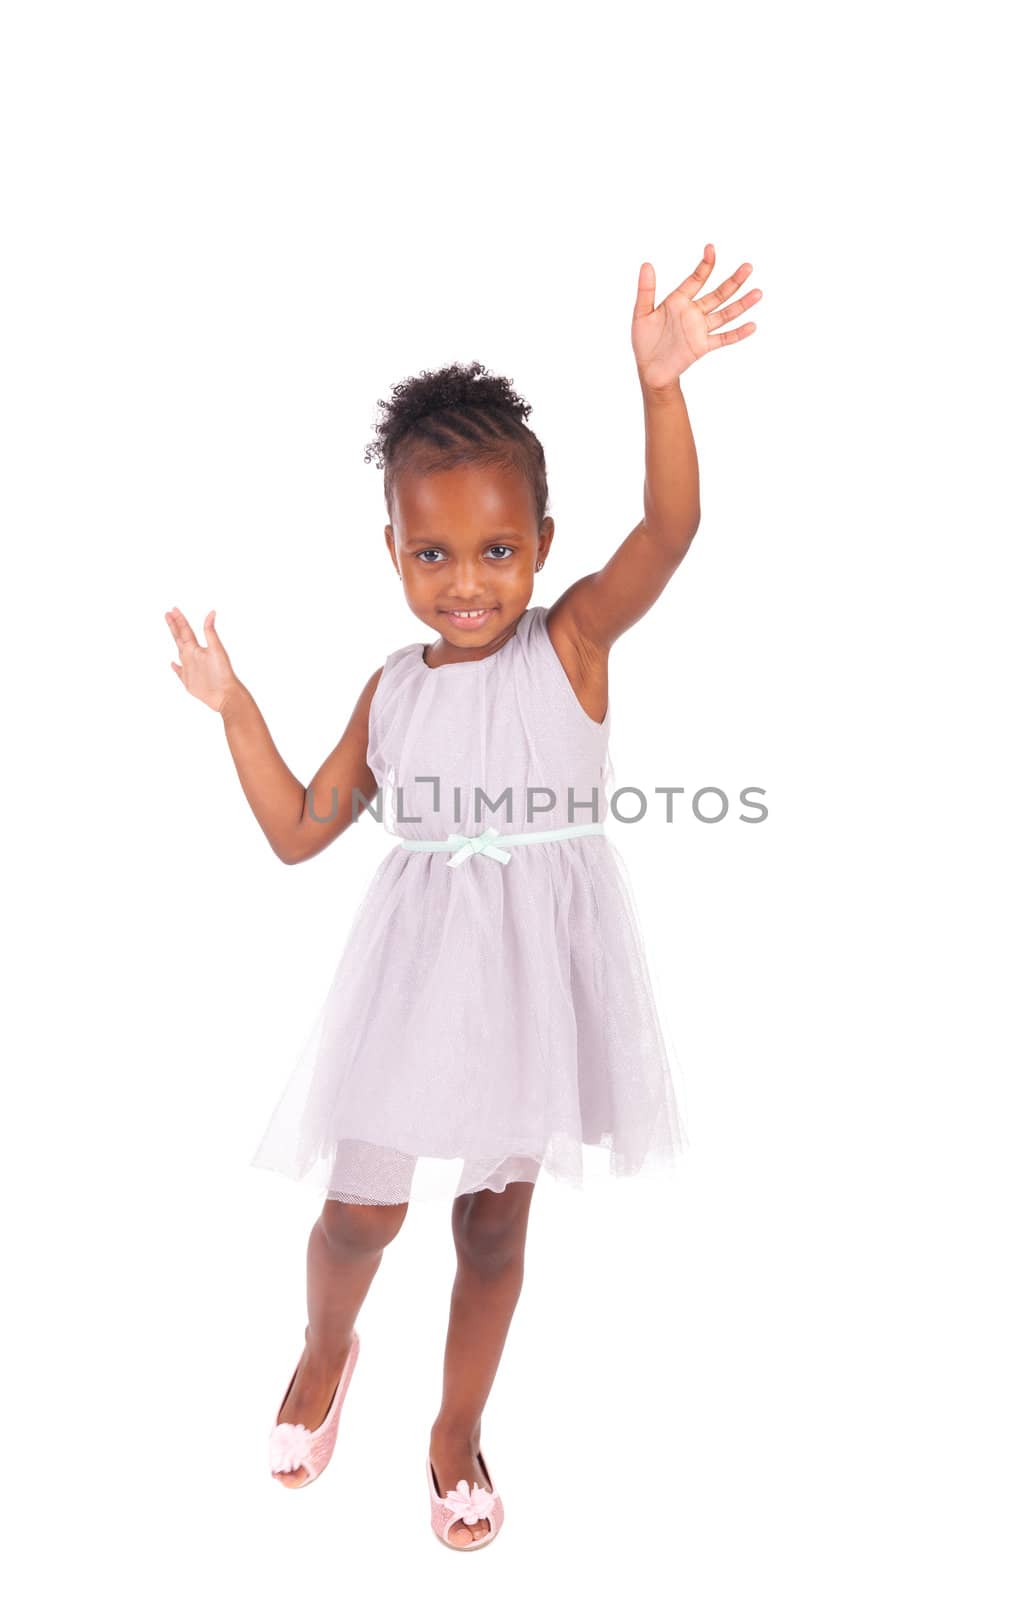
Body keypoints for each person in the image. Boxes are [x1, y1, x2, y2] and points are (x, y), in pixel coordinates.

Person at [164, 243, 761, 1549]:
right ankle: (327, 1349)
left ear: (543, 542)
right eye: (433, 553)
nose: (469, 579)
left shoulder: (576, 643)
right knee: (358, 1216)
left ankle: (455, 1429)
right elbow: (297, 834)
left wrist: (660, 386)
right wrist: (236, 707)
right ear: (391, 551)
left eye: (499, 548)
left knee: (494, 1226)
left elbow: (671, 531)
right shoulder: (396, 689)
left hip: (541, 977)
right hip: (415, 972)